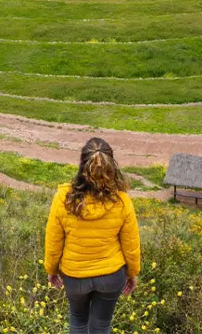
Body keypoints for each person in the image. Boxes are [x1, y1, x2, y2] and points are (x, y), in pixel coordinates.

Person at [44, 137, 141, 334]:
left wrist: (51, 269)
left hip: (75, 275)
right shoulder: (122, 201)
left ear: (81, 165)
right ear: (111, 166)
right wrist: (132, 273)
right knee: (101, 326)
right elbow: (131, 244)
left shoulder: (63, 198)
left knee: (78, 321)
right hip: (111, 274)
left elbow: (54, 240)